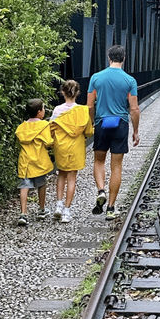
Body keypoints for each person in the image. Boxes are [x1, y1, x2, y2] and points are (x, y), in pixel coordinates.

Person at [87, 45, 140, 220]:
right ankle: (110, 207)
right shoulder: (129, 81)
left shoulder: (96, 78)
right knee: (116, 166)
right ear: (123, 59)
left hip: (102, 123)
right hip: (120, 124)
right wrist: (135, 131)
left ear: (109, 58)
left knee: (99, 161)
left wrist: (92, 123)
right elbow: (134, 109)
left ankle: (101, 190)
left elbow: (89, 105)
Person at [49, 80, 94, 223]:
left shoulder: (57, 110)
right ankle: (67, 211)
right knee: (72, 178)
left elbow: (50, 129)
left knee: (61, 174)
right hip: (76, 147)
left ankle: (58, 205)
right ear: (78, 93)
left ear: (63, 92)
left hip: (61, 146)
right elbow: (88, 131)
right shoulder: (82, 111)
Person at [16, 99, 53, 227]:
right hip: (39, 160)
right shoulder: (44, 125)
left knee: (24, 186)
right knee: (41, 184)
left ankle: (23, 214)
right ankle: (42, 210)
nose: (44, 111)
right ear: (39, 112)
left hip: (25, 161)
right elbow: (48, 142)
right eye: (43, 109)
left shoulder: (21, 127)